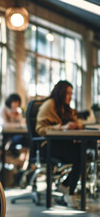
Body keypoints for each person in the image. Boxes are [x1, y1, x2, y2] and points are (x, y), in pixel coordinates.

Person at [36, 80, 83, 209]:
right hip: (49, 146)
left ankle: (67, 186)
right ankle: (68, 189)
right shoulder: (49, 105)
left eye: (71, 93)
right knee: (81, 154)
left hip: (64, 145)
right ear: (60, 92)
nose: (70, 96)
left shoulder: (66, 108)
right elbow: (40, 129)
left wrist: (75, 126)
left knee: (84, 151)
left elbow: (75, 124)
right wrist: (61, 127)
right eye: (67, 93)